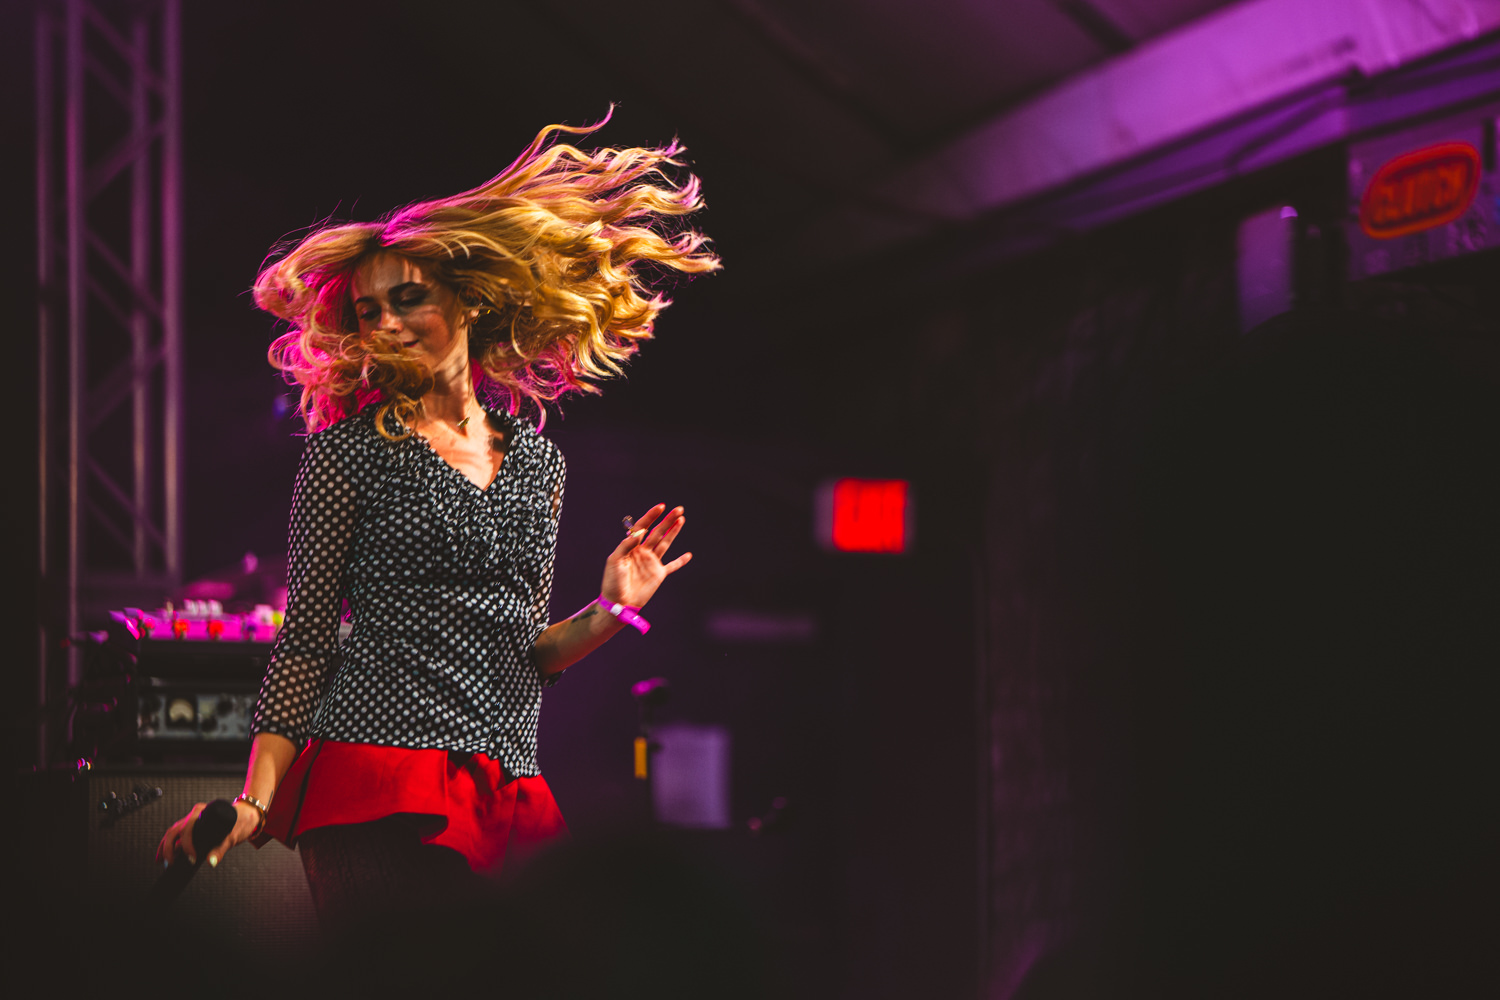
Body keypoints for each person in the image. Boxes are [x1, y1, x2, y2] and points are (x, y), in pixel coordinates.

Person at [155, 114, 718, 926]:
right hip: (375, 781)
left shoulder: (539, 464)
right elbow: (306, 638)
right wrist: (254, 802)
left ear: (469, 300)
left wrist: (611, 609)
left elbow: (527, 652)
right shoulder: (347, 454)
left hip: (503, 783)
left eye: (407, 298)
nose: (384, 324)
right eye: (368, 311)